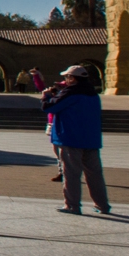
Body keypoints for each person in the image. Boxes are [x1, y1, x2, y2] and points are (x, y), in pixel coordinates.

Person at [47, 65, 110, 215]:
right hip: (91, 139)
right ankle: (103, 205)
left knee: (72, 174)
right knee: (95, 174)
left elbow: (50, 107)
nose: (66, 80)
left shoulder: (71, 92)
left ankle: (72, 205)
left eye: (67, 77)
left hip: (71, 139)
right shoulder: (93, 94)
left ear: (72, 78)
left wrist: (47, 96)